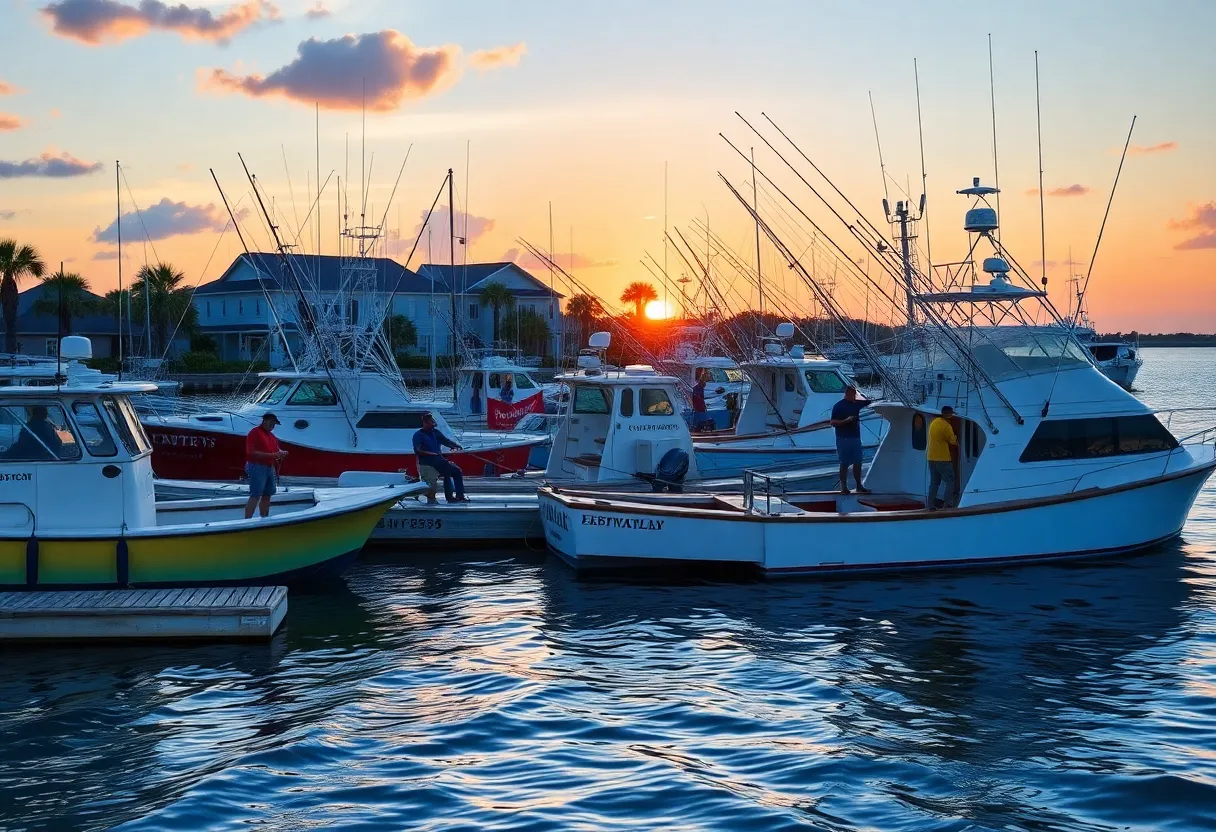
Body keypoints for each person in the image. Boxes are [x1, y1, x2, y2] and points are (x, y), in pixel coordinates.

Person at [413, 412, 469, 504]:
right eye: (430, 422)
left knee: (455, 471)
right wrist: (432, 454)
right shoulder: (418, 435)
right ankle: (450, 497)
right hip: (427, 461)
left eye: (432, 421)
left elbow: (446, 441)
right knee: (450, 471)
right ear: (425, 423)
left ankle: (459, 495)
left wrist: (456, 446)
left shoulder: (435, 432)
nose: (432, 423)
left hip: (438, 460)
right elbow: (417, 450)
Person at [829, 385, 873, 494]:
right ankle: (844, 487)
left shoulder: (857, 404)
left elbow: (868, 402)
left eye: (854, 395)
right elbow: (833, 422)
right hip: (843, 438)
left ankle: (859, 485)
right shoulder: (839, 406)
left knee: (858, 461)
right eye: (850, 394)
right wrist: (845, 421)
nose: (852, 396)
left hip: (855, 437)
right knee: (844, 462)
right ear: (846, 394)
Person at [244, 412, 287, 519]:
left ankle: (264, 518)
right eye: (270, 422)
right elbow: (251, 453)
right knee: (256, 494)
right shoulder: (254, 432)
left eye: (274, 424)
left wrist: (281, 453)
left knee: (267, 494)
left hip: (269, 467)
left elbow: (276, 449)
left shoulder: (272, 436)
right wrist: (273, 455)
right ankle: (247, 520)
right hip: (256, 466)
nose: (272, 425)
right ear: (264, 421)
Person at [925, 405, 959, 510]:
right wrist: (956, 437)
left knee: (934, 482)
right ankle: (946, 504)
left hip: (931, 457)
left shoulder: (934, 422)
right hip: (942, 458)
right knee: (950, 481)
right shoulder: (946, 426)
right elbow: (953, 442)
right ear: (949, 415)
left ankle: (929, 505)